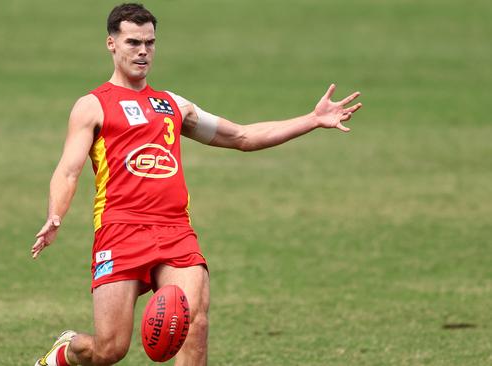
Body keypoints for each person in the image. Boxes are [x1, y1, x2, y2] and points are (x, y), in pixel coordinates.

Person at [30, 3, 362, 366]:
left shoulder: (172, 104)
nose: (143, 51)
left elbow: (242, 136)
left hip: (175, 230)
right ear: (111, 44)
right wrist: (55, 216)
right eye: (133, 42)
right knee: (110, 349)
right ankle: (66, 352)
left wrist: (312, 120)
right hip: (120, 230)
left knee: (195, 321)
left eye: (150, 43)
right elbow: (68, 170)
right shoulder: (92, 106)